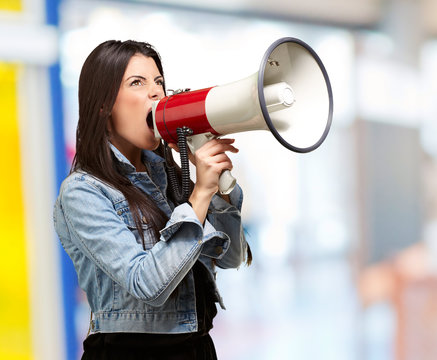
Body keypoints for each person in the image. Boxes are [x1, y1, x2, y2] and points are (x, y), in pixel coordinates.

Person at [53, 40, 251, 360]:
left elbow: (229, 259)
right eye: (137, 83)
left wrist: (220, 191)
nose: (156, 93)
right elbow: (146, 284)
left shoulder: (170, 175)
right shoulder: (83, 192)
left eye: (159, 82)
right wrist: (199, 195)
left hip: (197, 348)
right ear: (104, 105)